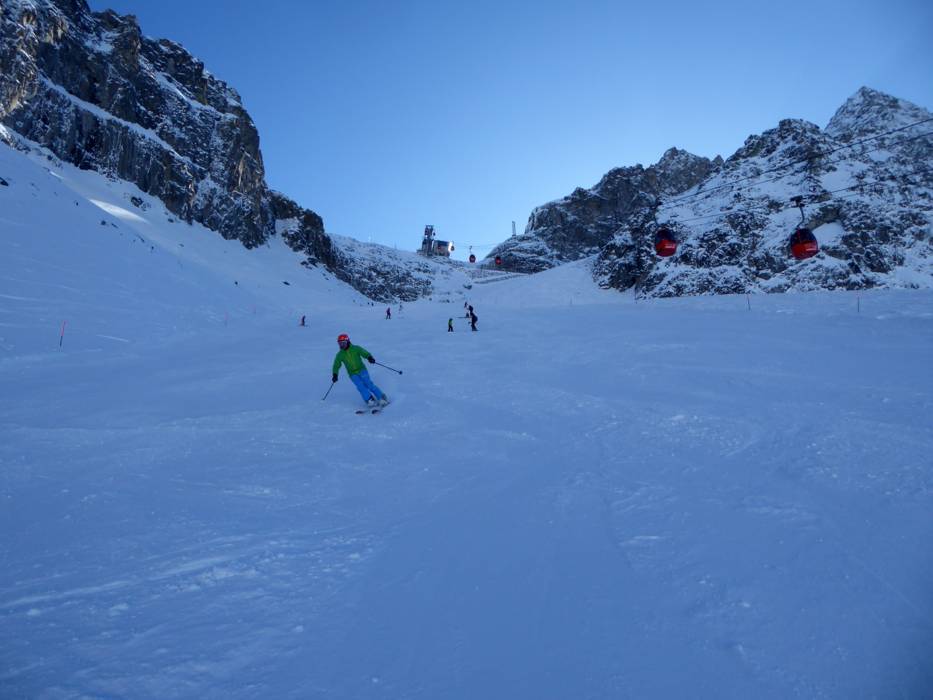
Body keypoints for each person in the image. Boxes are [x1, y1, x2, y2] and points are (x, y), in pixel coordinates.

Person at [331, 333, 389, 408]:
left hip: (362, 370)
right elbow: (336, 365)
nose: (342, 345)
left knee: (368, 384)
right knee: (360, 387)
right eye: (340, 343)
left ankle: (381, 397)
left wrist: (369, 357)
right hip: (352, 374)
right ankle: (369, 399)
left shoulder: (355, 348)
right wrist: (335, 374)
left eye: (343, 343)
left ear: (347, 341)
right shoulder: (340, 354)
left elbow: (364, 352)